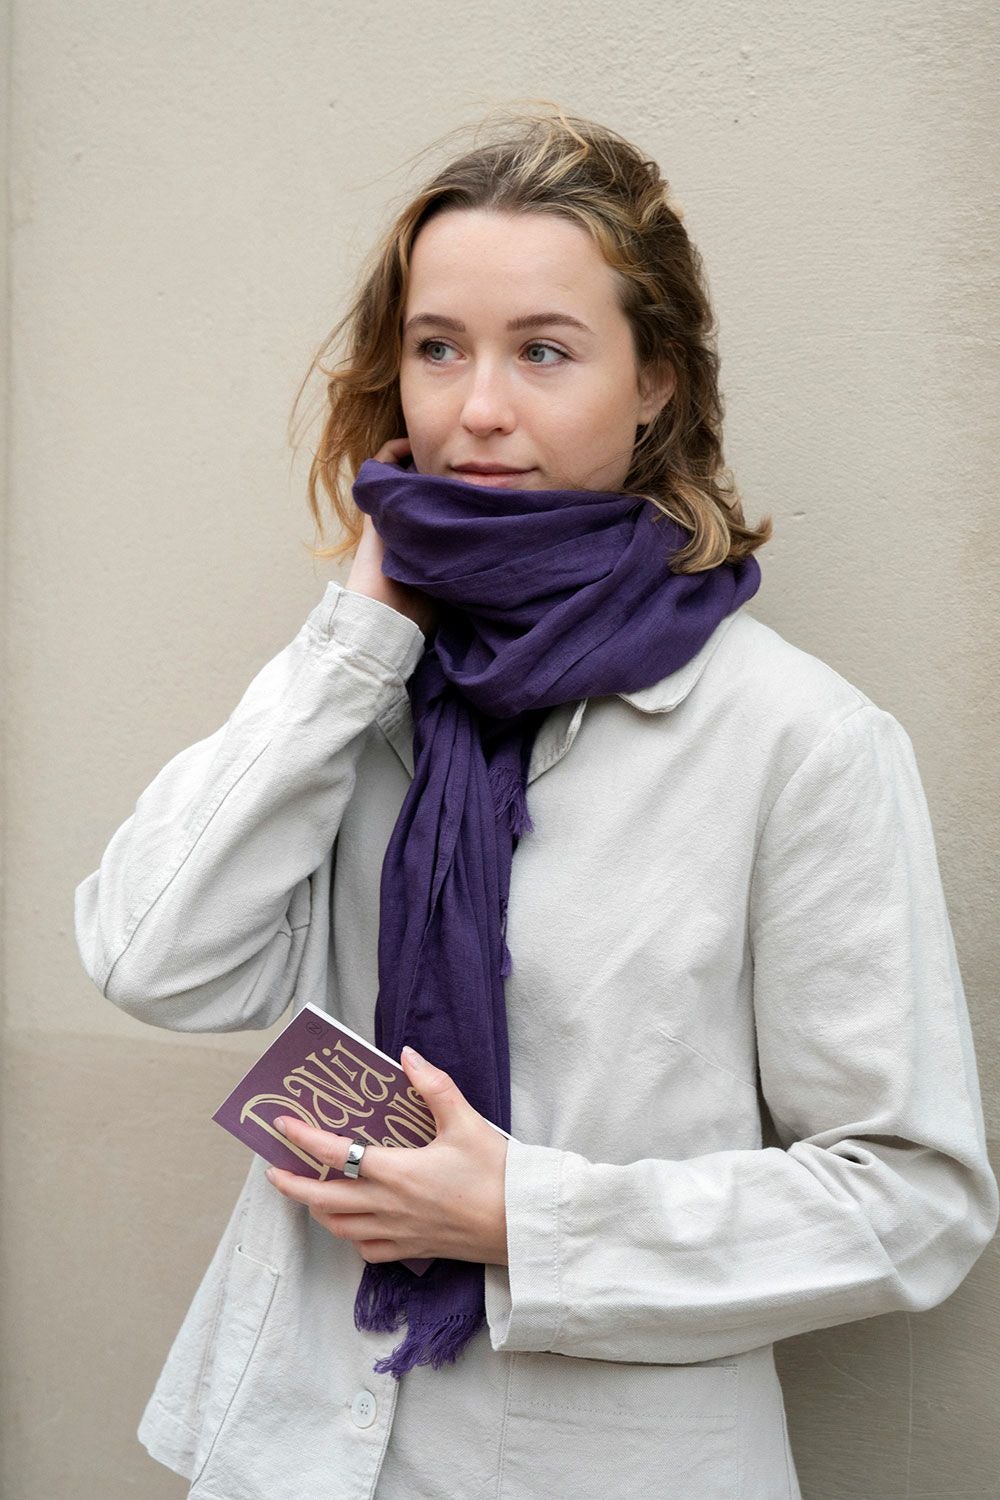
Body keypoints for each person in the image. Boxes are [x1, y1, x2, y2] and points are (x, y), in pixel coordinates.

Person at [73, 105, 998, 1500]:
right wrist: (356, 638)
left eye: (545, 351)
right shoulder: (364, 690)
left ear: (657, 383)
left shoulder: (796, 739)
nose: (478, 409)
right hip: (303, 1451)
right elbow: (154, 962)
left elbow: (913, 1198)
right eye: (438, 347)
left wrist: (530, 1217)